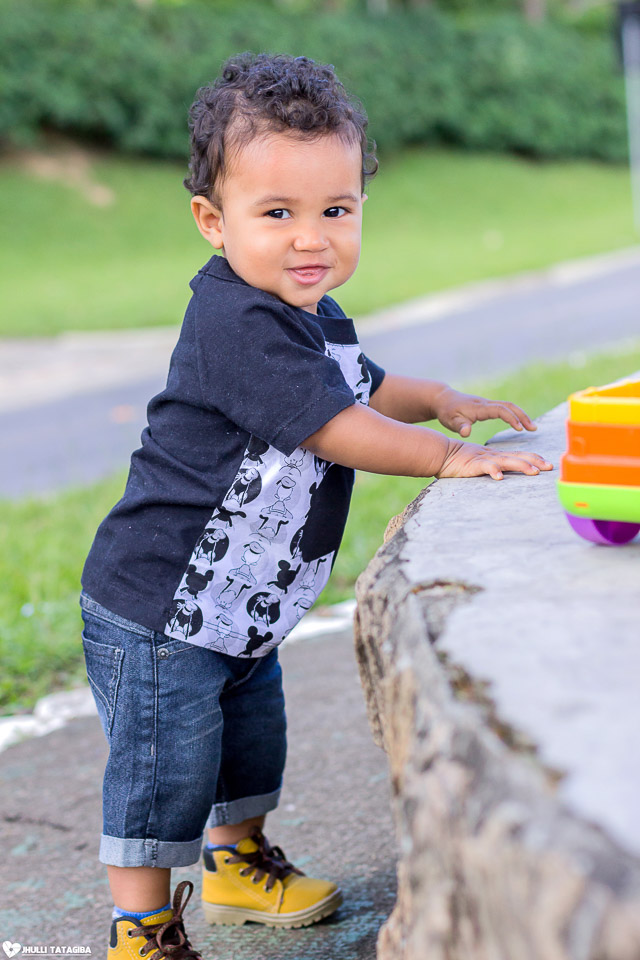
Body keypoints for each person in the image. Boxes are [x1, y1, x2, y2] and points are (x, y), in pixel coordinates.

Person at [80, 52, 553, 959]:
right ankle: (139, 924)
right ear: (213, 224)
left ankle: (237, 862)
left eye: (335, 210)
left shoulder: (310, 311)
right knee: (164, 772)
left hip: (237, 605)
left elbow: (365, 384)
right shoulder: (233, 324)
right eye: (279, 214)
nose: (312, 239)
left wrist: (440, 398)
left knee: (251, 746)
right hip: (159, 606)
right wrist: (445, 457)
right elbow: (339, 425)